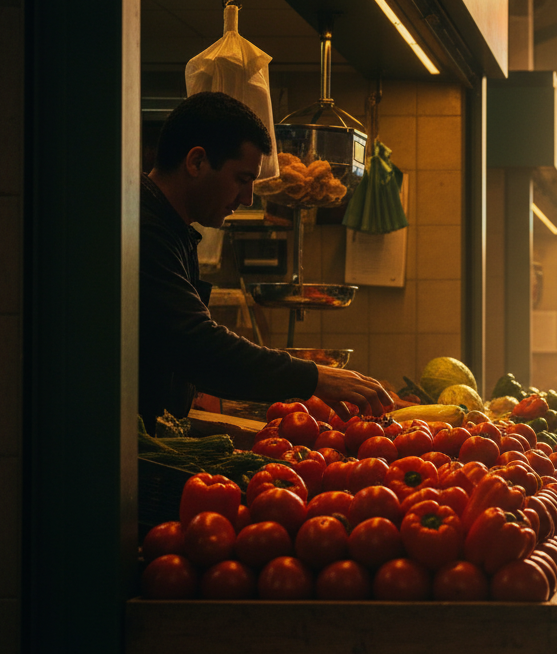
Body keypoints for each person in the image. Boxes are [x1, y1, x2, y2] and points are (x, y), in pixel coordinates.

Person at [140, 92, 392, 429]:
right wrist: (314, 377)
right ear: (196, 162)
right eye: (242, 180)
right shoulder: (143, 229)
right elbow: (197, 346)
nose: (246, 199)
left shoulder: (170, 227)